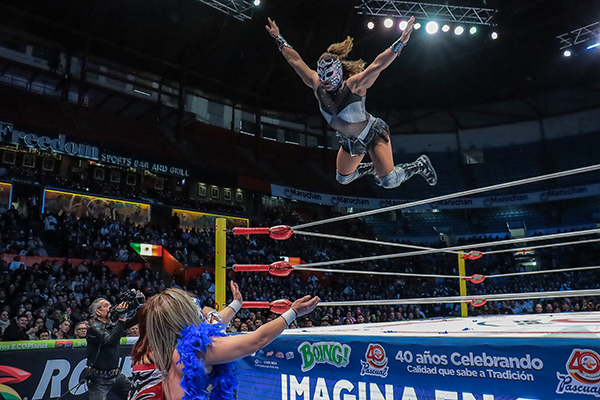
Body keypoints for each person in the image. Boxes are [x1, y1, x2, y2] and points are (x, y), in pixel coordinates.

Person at [265, 16, 437, 190]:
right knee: (343, 179)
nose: (325, 81)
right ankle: (371, 168)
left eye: (329, 76)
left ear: (338, 72)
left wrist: (401, 42)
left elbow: (377, 65)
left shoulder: (354, 86)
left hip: (372, 134)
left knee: (388, 181)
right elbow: (295, 61)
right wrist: (278, 37)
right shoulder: (316, 84)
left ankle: (418, 165)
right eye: (322, 76)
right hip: (351, 141)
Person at [129, 288, 319, 400]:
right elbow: (257, 340)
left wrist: (236, 303)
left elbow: (216, 320)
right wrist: (293, 312)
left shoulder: (161, 349)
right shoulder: (196, 349)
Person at [86, 295, 140, 400]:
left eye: (110, 305)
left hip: (116, 374)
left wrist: (138, 304)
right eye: (106, 306)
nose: (110, 308)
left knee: (134, 395)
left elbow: (135, 319)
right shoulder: (94, 328)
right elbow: (109, 341)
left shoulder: (112, 325)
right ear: (98, 312)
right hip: (100, 378)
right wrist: (121, 319)